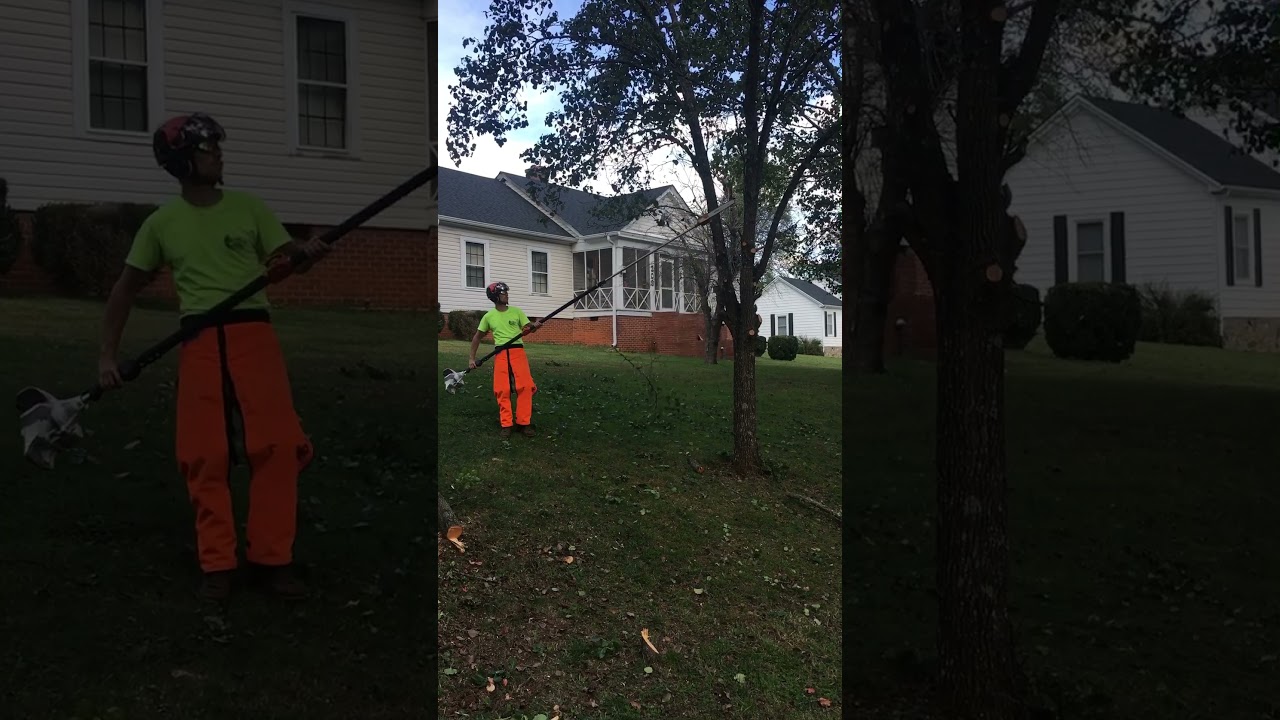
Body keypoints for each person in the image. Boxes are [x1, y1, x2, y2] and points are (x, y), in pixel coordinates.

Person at [97, 112, 329, 602]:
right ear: (183, 161)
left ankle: (273, 559)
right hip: (200, 340)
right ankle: (217, 564)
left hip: (254, 337)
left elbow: (287, 259)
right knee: (205, 453)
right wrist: (107, 357)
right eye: (208, 149)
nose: (219, 156)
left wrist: (306, 254)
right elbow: (124, 291)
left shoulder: (249, 209)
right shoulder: (162, 223)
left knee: (276, 447)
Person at [468, 281, 542, 438]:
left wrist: (535, 326)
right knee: (502, 390)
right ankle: (506, 424)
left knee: (525, 387)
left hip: (518, 352)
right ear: (495, 296)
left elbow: (528, 328)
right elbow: (477, 338)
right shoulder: (489, 316)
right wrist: (471, 359)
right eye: (503, 293)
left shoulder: (516, 312)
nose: (507, 295)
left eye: (506, 292)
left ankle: (524, 423)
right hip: (501, 353)